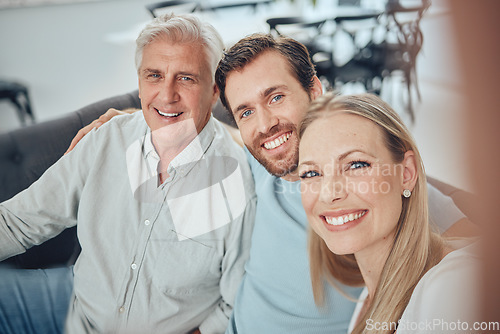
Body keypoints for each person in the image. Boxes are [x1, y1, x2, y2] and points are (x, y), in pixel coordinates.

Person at [70, 33, 476, 333]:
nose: (265, 125)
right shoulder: (256, 165)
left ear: (315, 91)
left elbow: (472, 256)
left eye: (276, 97)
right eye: (246, 112)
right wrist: (130, 119)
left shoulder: (375, 187)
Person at [0, 13, 256, 334]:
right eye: (154, 76)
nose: (166, 94)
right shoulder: (107, 138)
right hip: (76, 314)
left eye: (186, 78)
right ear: (138, 82)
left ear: (215, 90)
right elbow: (18, 222)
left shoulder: (239, 179)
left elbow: (238, 300)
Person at [298, 92, 479, 333]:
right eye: (311, 173)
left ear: (406, 173)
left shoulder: (451, 289)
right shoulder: (369, 295)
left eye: (356, 165)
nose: (330, 193)